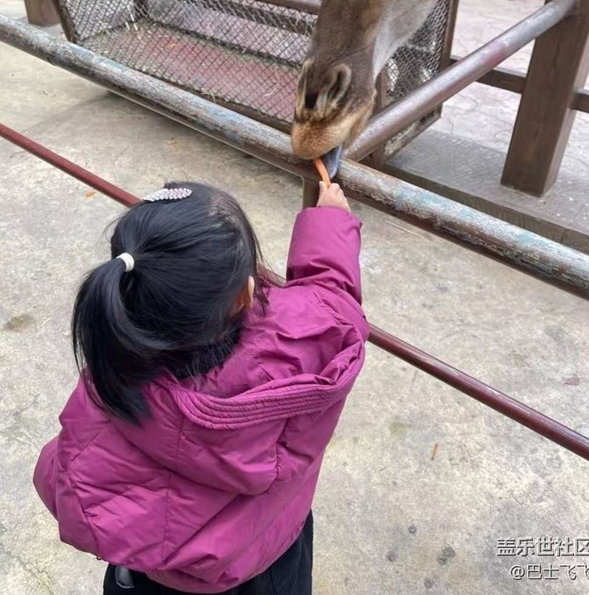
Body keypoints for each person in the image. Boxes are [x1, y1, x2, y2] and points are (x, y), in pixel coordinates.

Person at [34, 180, 370, 594]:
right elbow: (332, 299)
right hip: (271, 564)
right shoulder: (299, 351)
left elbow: (60, 481)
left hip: (156, 583)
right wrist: (329, 222)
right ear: (245, 296)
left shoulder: (111, 381)